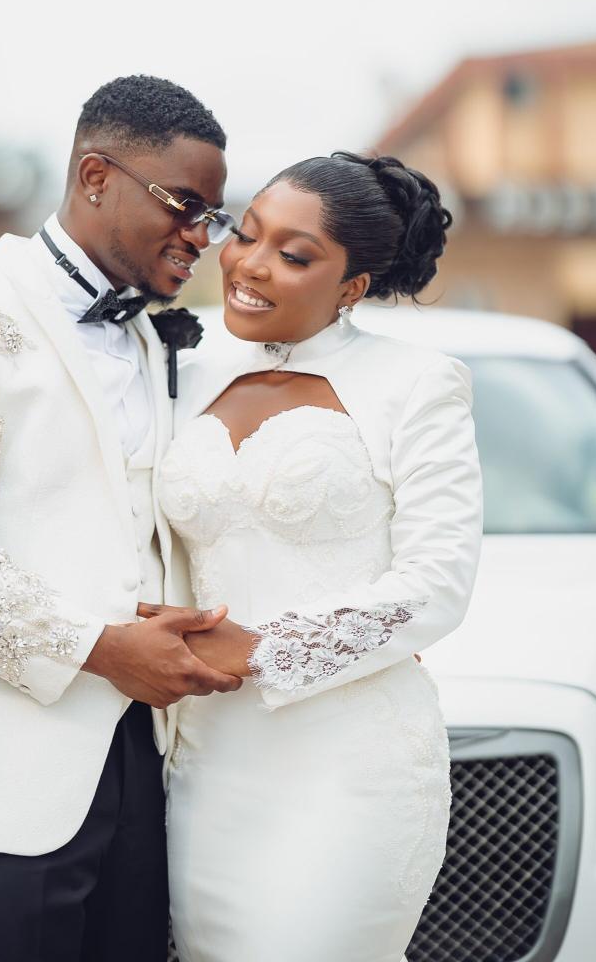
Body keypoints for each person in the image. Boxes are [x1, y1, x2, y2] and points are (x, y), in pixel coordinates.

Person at [0, 74, 243, 962]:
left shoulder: (154, 338)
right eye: (184, 205)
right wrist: (99, 647)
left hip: (146, 768)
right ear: (95, 177)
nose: (200, 236)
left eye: (213, 216)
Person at [146, 152, 483, 962]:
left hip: (349, 768)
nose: (250, 265)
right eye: (246, 234)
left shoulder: (414, 382)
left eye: (293, 256)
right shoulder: (182, 371)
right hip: (208, 763)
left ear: (352, 285)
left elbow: (437, 583)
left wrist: (263, 650)